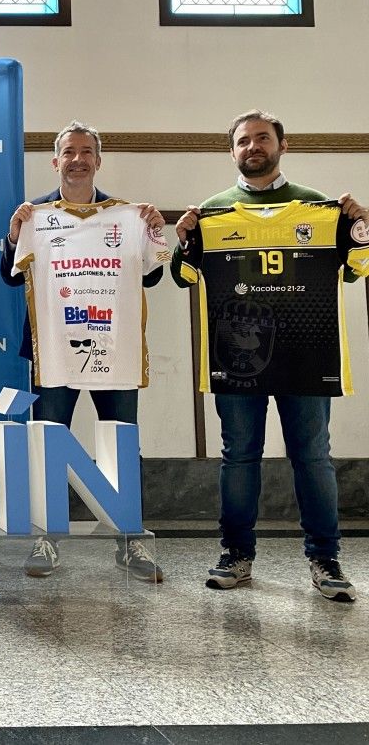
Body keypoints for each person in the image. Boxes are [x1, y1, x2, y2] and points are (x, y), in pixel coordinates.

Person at [171, 109, 367, 602]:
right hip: (239, 359)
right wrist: (184, 239)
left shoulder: (319, 209)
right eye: (243, 141)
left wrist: (359, 225)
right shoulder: (212, 211)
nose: (253, 147)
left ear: (282, 145)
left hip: (309, 354)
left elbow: (353, 270)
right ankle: (237, 554)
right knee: (239, 457)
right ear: (232, 151)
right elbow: (185, 277)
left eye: (262, 138)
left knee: (313, 457)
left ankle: (326, 558)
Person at [1, 120, 166, 582]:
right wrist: (15, 235)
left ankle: (131, 541)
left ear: (98, 160)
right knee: (47, 442)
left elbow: (151, 276)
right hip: (53, 350)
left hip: (114, 352)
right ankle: (45, 538)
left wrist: (153, 230)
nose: (77, 159)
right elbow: (10, 275)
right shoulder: (33, 213)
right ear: (55, 161)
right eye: (69, 152)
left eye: (86, 151)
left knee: (121, 442)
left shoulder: (128, 215)